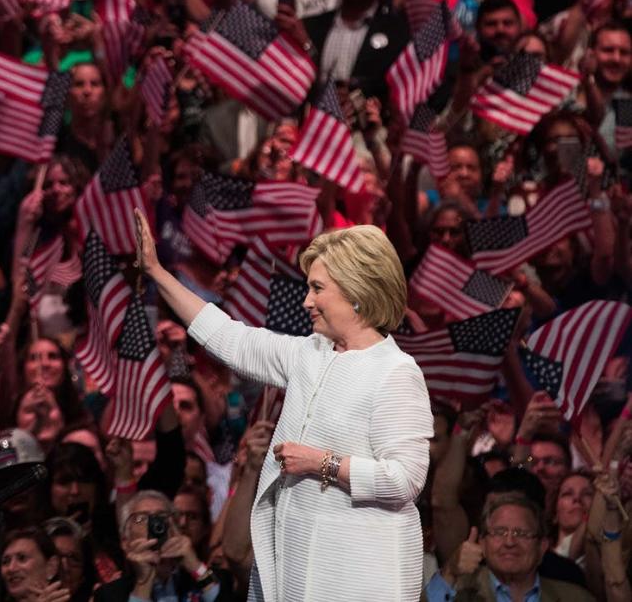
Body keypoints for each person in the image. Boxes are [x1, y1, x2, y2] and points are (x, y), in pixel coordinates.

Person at [134, 211, 433, 601]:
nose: (307, 300)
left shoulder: (395, 372)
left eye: (318, 288)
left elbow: (404, 479)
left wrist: (321, 462)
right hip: (298, 573)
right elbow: (229, 337)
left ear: (357, 290)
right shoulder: (309, 353)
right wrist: (156, 272)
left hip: (360, 579)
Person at [426, 493, 595, 601]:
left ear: (542, 547)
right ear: (483, 543)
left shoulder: (576, 598)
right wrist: (449, 572)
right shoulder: (454, 590)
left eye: (522, 534)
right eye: (499, 532)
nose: (509, 543)